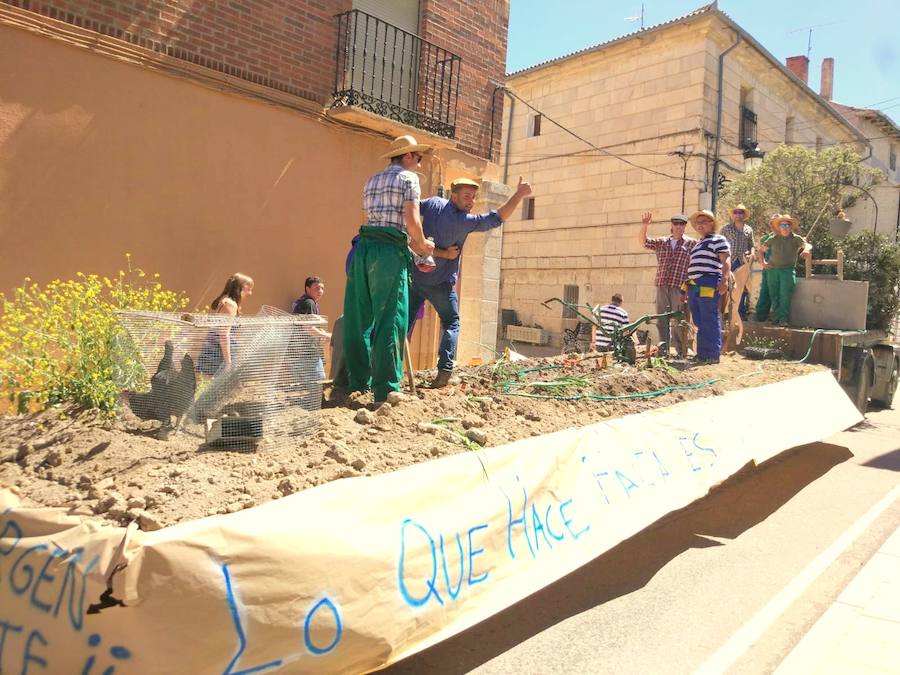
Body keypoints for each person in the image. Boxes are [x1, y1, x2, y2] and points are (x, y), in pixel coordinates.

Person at [409, 175, 533, 388]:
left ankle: (386, 367)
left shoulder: (431, 204)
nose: (471, 202)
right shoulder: (463, 221)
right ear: (454, 195)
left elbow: (409, 209)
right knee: (452, 322)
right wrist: (520, 194)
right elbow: (498, 217)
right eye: (467, 197)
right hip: (441, 284)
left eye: (474, 198)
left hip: (417, 279)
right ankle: (445, 369)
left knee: (404, 322)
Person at [343, 135, 435, 403]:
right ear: (407, 156)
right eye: (417, 158)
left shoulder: (371, 180)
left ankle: (358, 382)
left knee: (359, 318)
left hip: (365, 247)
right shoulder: (409, 179)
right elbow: (412, 220)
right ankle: (387, 389)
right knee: (392, 318)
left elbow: (366, 219)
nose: (419, 164)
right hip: (388, 251)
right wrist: (423, 245)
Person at [638, 211, 696, 358]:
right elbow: (643, 242)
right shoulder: (662, 242)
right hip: (662, 284)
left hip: (679, 286)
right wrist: (645, 225)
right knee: (662, 318)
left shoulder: (691, 244)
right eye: (676, 224)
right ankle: (664, 348)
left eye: (682, 224)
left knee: (679, 319)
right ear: (672, 225)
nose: (678, 227)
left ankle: (681, 350)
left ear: (685, 226)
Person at [685, 210, 731, 364]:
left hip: (709, 282)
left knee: (709, 318)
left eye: (704, 221)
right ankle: (702, 354)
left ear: (712, 223)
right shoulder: (698, 243)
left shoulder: (718, 239)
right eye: (698, 222)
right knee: (698, 319)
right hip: (694, 285)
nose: (700, 225)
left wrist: (724, 280)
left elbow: (726, 261)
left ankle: (711, 355)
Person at [758, 214, 812, 326]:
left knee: (785, 294)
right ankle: (776, 318)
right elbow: (761, 250)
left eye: (787, 225)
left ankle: (783, 319)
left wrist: (806, 250)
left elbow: (807, 245)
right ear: (779, 227)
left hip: (787, 270)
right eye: (782, 225)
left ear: (791, 226)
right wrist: (763, 262)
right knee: (774, 295)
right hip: (772, 270)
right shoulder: (773, 238)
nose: (785, 227)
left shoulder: (796, 238)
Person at [198, 272, 253, 375]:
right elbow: (224, 334)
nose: (250, 293)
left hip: (214, 351)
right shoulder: (230, 304)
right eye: (248, 289)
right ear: (239, 288)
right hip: (216, 355)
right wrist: (228, 363)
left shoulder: (225, 300)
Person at [720, 203, 755, 345]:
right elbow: (720, 244)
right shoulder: (726, 229)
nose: (738, 214)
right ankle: (726, 314)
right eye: (736, 212)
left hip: (743, 262)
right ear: (732, 215)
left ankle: (740, 313)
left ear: (744, 215)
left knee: (743, 290)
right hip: (730, 261)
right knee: (728, 288)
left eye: (741, 212)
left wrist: (752, 254)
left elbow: (751, 245)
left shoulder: (748, 229)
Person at [291, 276, 331, 383]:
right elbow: (307, 327)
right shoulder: (309, 303)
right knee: (317, 384)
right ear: (307, 289)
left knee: (304, 387)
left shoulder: (301, 301)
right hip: (308, 354)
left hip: (298, 353)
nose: (320, 291)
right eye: (317, 288)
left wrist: (322, 333)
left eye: (322, 288)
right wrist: (325, 336)